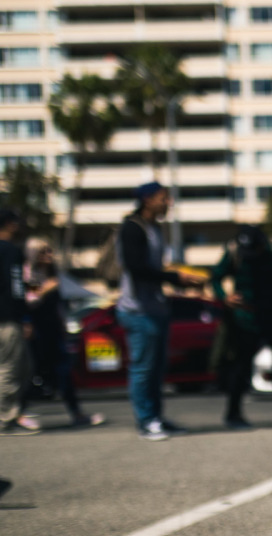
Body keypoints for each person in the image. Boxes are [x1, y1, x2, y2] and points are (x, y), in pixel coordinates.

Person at [115, 181, 203, 441]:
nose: (169, 203)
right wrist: (176, 278)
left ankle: (156, 417)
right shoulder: (132, 228)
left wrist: (174, 280)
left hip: (155, 308)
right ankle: (146, 421)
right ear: (148, 200)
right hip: (137, 310)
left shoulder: (155, 228)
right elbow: (137, 269)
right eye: (164, 198)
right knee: (143, 368)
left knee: (156, 369)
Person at [210, 224, 272, 429]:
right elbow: (216, 277)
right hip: (246, 319)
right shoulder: (235, 252)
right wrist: (225, 297)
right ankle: (234, 415)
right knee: (239, 368)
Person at [24, 239, 105, 428]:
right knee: (29, 372)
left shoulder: (52, 274)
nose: (48, 256)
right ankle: (16, 414)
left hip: (53, 330)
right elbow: (30, 301)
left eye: (50, 251)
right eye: (43, 252)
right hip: (36, 331)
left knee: (64, 371)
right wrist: (46, 289)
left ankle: (77, 413)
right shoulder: (28, 272)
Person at [0, 208, 39, 434]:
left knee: (23, 367)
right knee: (11, 369)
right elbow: (16, 287)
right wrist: (24, 316)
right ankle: (6, 417)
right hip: (7, 319)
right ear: (10, 224)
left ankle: (12, 413)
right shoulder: (10, 251)